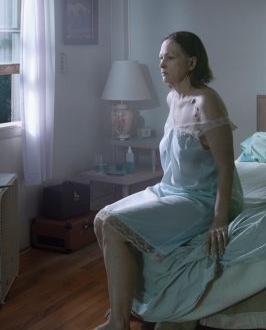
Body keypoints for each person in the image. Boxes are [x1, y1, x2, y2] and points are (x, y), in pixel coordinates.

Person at [92, 31, 243, 330]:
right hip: (168, 189)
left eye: (170, 58)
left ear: (191, 62)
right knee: (101, 219)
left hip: (199, 200)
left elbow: (226, 166)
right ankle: (126, 308)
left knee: (113, 225)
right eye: (160, 57)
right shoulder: (172, 97)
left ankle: (119, 323)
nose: (162, 64)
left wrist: (219, 219)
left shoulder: (206, 102)